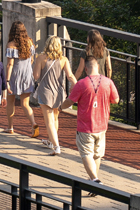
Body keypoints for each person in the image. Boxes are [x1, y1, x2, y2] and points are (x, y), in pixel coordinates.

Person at [60, 56, 119, 190]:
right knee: (97, 154)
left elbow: (70, 101)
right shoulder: (108, 82)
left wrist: (61, 107)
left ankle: (94, 179)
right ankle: (93, 179)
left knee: (86, 153)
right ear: (97, 66)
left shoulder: (81, 84)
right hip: (102, 125)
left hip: (85, 126)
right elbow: (116, 100)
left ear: (86, 69)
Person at [32, 35, 77, 156]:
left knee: (49, 121)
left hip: (45, 92)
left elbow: (36, 76)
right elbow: (70, 75)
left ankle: (56, 146)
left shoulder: (41, 58)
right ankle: (52, 142)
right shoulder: (64, 59)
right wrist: (77, 86)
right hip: (59, 92)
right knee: (55, 118)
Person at [4, 21, 39, 137]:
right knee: (25, 104)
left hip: (15, 76)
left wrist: (7, 81)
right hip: (27, 75)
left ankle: (10, 127)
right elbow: (32, 60)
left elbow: (10, 65)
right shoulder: (30, 43)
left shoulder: (11, 45)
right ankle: (33, 123)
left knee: (11, 102)